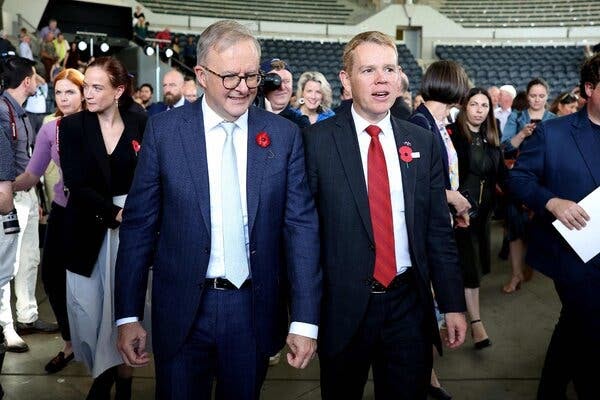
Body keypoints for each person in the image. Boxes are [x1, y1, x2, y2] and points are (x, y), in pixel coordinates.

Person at [114, 20, 321, 400]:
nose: (243, 88)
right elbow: (139, 228)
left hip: (253, 312)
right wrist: (128, 316)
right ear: (202, 74)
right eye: (229, 77)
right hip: (181, 311)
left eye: (251, 76)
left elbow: (300, 229)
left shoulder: (283, 136)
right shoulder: (164, 133)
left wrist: (305, 319)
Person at [303, 30, 466, 400]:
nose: (382, 79)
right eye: (369, 70)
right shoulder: (316, 142)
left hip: (408, 307)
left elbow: (438, 232)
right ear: (346, 80)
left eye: (389, 69)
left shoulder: (421, 141)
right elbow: (303, 237)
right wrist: (303, 318)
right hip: (343, 311)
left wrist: (453, 303)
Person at [507, 53, 600, 400]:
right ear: (589, 88)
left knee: (573, 328)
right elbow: (518, 178)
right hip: (573, 254)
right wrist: (552, 202)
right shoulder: (553, 132)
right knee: (589, 330)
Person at [58, 57, 148, 399]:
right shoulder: (73, 127)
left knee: (126, 309)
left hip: (132, 231)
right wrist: (115, 212)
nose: (89, 94)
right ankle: (104, 371)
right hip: (88, 227)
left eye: (97, 87)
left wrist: (136, 212)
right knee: (89, 311)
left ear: (119, 90)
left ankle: (120, 379)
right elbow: (76, 184)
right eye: (87, 87)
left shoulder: (140, 120)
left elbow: (151, 174)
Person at [13, 68, 85, 374]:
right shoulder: (49, 127)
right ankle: (70, 343)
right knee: (53, 279)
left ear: (84, 94)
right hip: (63, 209)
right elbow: (32, 173)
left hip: (94, 215)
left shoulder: (100, 123)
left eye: (71, 92)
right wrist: (8, 184)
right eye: (59, 92)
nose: (64, 98)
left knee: (91, 282)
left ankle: (101, 350)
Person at [0, 56, 58, 355]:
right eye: (36, 77)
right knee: (5, 266)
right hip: (9, 196)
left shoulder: (19, 112)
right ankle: (5, 327)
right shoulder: (1, 111)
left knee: (29, 259)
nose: (38, 82)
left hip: (27, 194)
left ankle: (27, 316)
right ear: (27, 81)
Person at [447, 88, 506, 351]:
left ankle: (453, 316)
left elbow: (501, 174)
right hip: (458, 213)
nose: (480, 109)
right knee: (469, 268)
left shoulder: (492, 136)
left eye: (484, 105)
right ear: (464, 107)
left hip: (483, 214)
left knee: (474, 266)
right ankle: (476, 323)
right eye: (474, 104)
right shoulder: (453, 135)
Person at [500, 78, 556, 293]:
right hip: (519, 179)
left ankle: (529, 265)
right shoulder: (517, 117)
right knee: (515, 228)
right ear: (527, 96)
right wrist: (522, 134)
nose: (537, 100)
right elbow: (504, 149)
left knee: (537, 228)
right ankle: (515, 274)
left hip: (544, 181)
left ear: (547, 97)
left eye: (541, 96)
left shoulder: (553, 119)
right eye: (533, 95)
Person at [261, 58, 309, 128]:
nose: (282, 87)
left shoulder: (300, 122)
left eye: (287, 81)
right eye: (275, 82)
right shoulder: (248, 117)